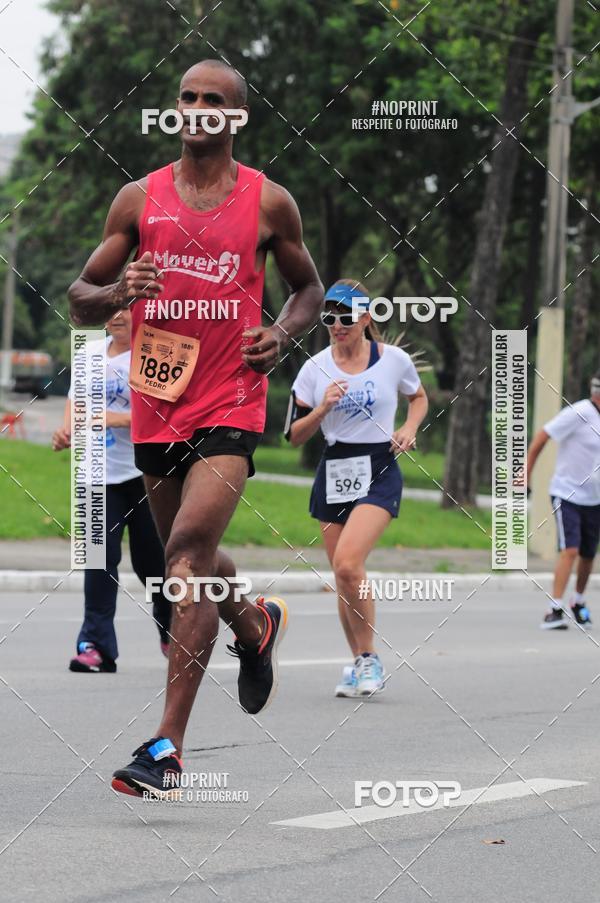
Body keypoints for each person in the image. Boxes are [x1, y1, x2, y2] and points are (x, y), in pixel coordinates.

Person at [68, 59, 323, 798]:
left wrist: (281, 333)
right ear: (175, 108)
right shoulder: (138, 198)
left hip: (231, 402)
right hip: (157, 403)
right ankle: (253, 624)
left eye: (215, 99)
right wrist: (119, 290)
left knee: (182, 559)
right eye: (188, 97)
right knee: (196, 561)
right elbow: (81, 296)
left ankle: (166, 749)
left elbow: (307, 287)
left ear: (236, 116)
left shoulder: (268, 202)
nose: (199, 107)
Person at [286, 280, 428, 697]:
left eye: (345, 317)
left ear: (365, 318)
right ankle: (359, 662)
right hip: (335, 467)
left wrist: (409, 427)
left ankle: (369, 659)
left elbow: (418, 397)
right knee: (343, 575)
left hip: (379, 466)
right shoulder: (314, 369)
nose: (337, 325)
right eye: (329, 318)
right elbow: (293, 435)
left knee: (349, 564)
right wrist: (322, 408)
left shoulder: (393, 360)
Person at [52, 309, 172, 671]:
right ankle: (97, 646)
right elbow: (76, 403)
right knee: (98, 561)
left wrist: (113, 418)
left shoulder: (157, 352)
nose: (117, 315)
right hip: (97, 474)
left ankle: (172, 628)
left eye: (126, 307)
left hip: (146, 474)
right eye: (110, 308)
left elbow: (164, 416)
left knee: (152, 564)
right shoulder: (89, 353)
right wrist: (66, 431)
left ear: (142, 311)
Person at [527, 371, 600, 630]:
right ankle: (554, 609)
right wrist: (526, 472)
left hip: (595, 498)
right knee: (570, 549)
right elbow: (543, 435)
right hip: (567, 493)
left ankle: (577, 602)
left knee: (588, 555)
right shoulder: (579, 412)